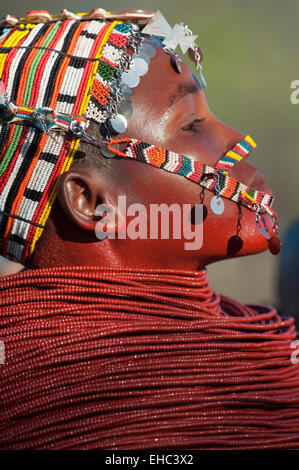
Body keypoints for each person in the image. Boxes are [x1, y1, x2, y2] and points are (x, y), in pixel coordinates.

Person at [0, 8, 298, 450]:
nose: (236, 137)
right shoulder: (34, 401)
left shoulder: (271, 351)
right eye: (192, 125)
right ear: (92, 202)